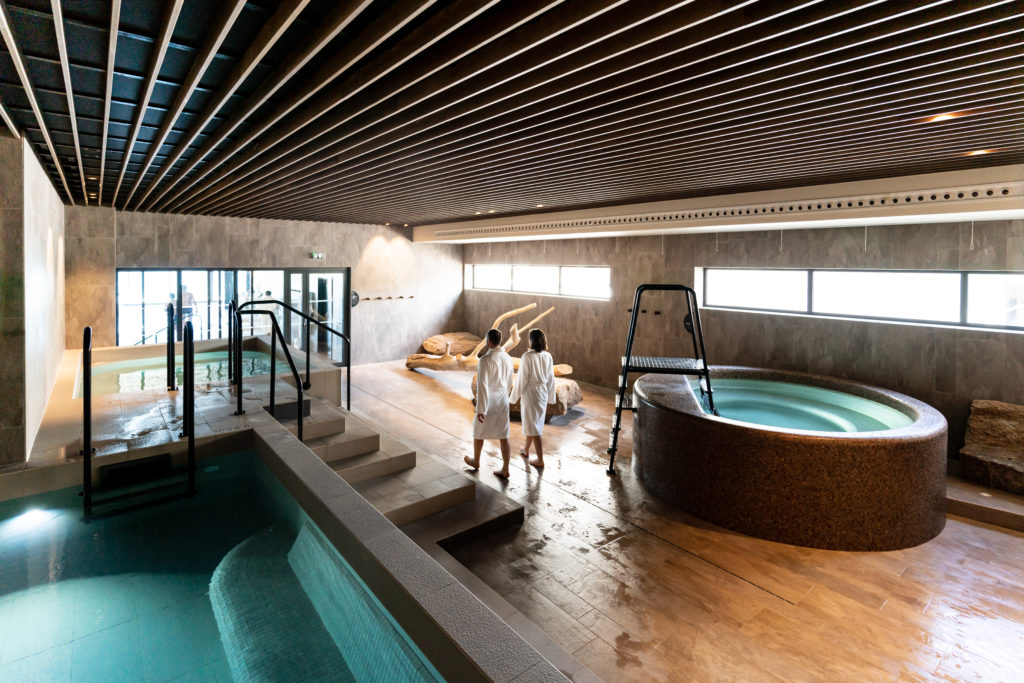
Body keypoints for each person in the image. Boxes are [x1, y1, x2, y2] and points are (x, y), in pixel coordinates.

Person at [464, 328, 514, 478]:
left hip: (490, 400)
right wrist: (506, 397)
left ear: (489, 342)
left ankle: (476, 460)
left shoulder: (485, 360)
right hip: (503, 398)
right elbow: (510, 381)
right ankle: (505, 468)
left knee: (479, 431)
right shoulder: (508, 358)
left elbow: (482, 385)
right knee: (504, 434)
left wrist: (481, 409)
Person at [510, 328, 557, 468]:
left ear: (532, 341)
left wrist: (512, 398)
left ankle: (540, 459)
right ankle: (526, 449)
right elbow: (551, 378)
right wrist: (551, 397)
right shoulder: (548, 356)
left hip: (531, 393)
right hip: (542, 392)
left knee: (534, 426)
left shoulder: (527, 356)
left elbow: (521, 379)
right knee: (533, 422)